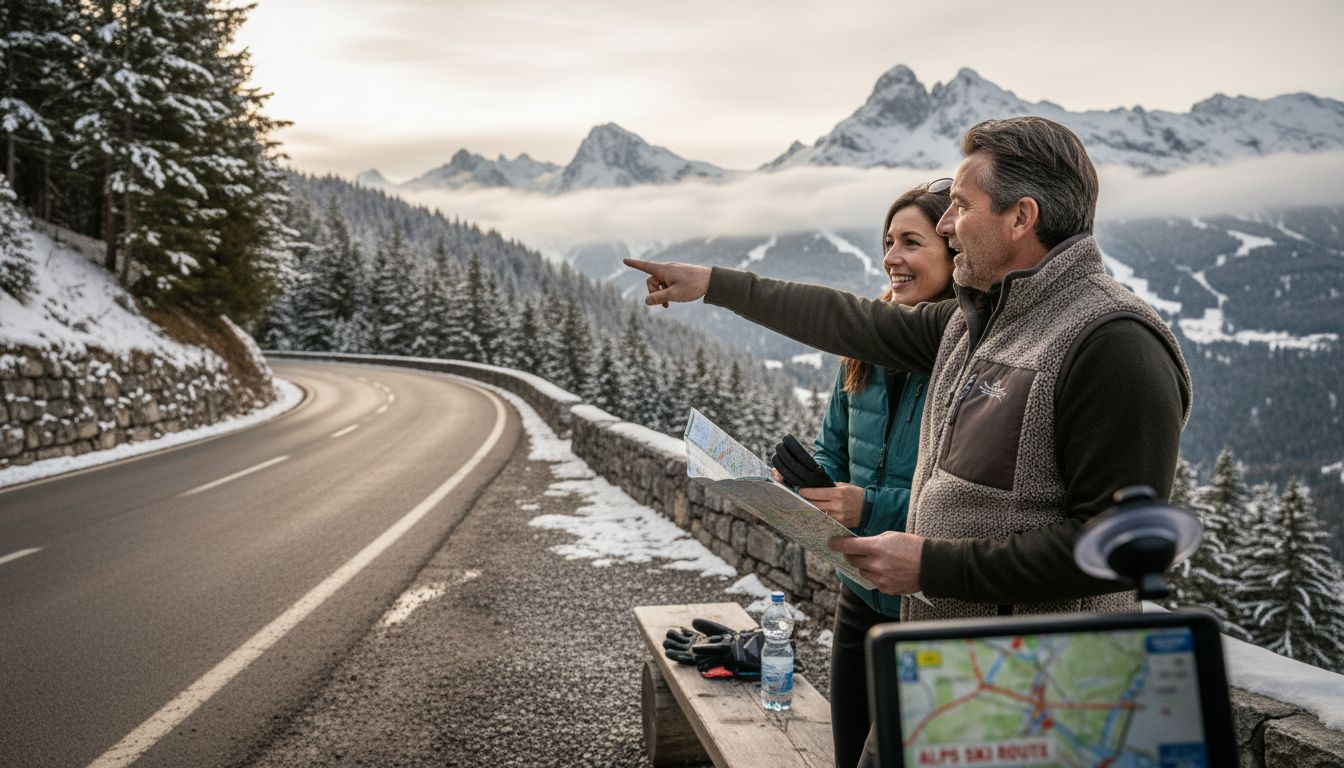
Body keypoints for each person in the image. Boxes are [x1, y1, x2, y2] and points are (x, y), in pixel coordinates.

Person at [625, 116, 1192, 624]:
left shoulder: (1114, 344)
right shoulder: (975, 322)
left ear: (1022, 217)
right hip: (950, 661)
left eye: (963, 207)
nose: (947, 223)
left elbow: (1119, 551)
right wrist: (714, 285)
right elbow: (849, 320)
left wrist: (932, 567)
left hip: (1037, 687)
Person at [791, 181, 954, 768]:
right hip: (858, 594)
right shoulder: (864, 343)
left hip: (929, 604)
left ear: (954, 252)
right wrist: (812, 484)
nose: (892, 257)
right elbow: (831, 444)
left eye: (911, 241)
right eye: (888, 241)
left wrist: (867, 507)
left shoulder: (963, 354)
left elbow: (963, 503)